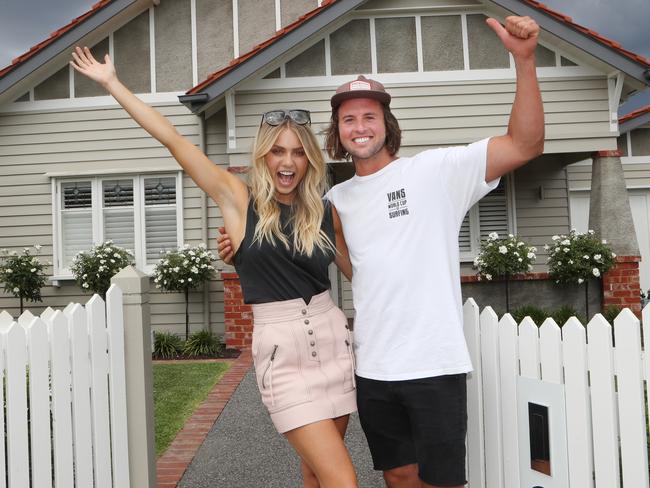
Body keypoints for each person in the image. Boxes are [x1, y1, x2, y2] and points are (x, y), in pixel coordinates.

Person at [219, 14, 544, 488]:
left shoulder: (436, 172)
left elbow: (525, 143)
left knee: (440, 482)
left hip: (434, 361)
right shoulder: (333, 203)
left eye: (369, 115)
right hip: (370, 366)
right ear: (338, 133)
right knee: (397, 476)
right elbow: (323, 257)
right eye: (348, 118)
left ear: (386, 123)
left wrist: (526, 61)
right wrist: (237, 246)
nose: (360, 126)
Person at [70, 47, 358, 488]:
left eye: (298, 153)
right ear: (264, 155)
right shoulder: (238, 200)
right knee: (343, 480)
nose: (287, 162)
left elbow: (361, 273)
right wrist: (112, 84)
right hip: (283, 352)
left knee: (318, 474)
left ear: (309, 159)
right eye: (278, 151)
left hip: (333, 343)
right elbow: (174, 140)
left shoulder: (323, 211)